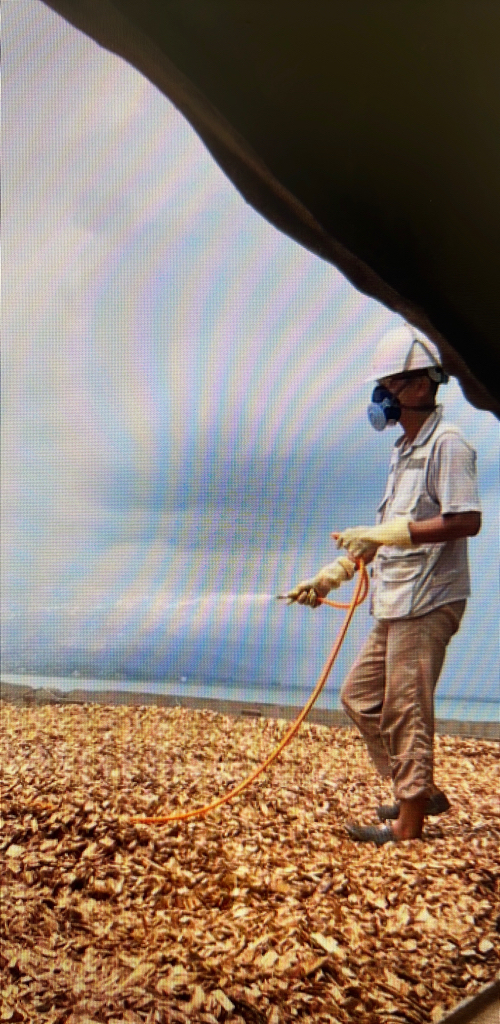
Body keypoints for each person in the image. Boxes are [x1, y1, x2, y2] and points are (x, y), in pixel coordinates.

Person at [284, 323, 481, 844]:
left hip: (430, 597)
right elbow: (382, 534)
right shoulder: (403, 450)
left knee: (405, 706)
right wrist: (332, 576)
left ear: (418, 386)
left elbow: (467, 520)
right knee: (360, 696)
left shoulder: (448, 445)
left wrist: (393, 533)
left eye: (388, 384)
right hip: (395, 598)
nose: (381, 396)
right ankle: (419, 790)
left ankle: (408, 825)